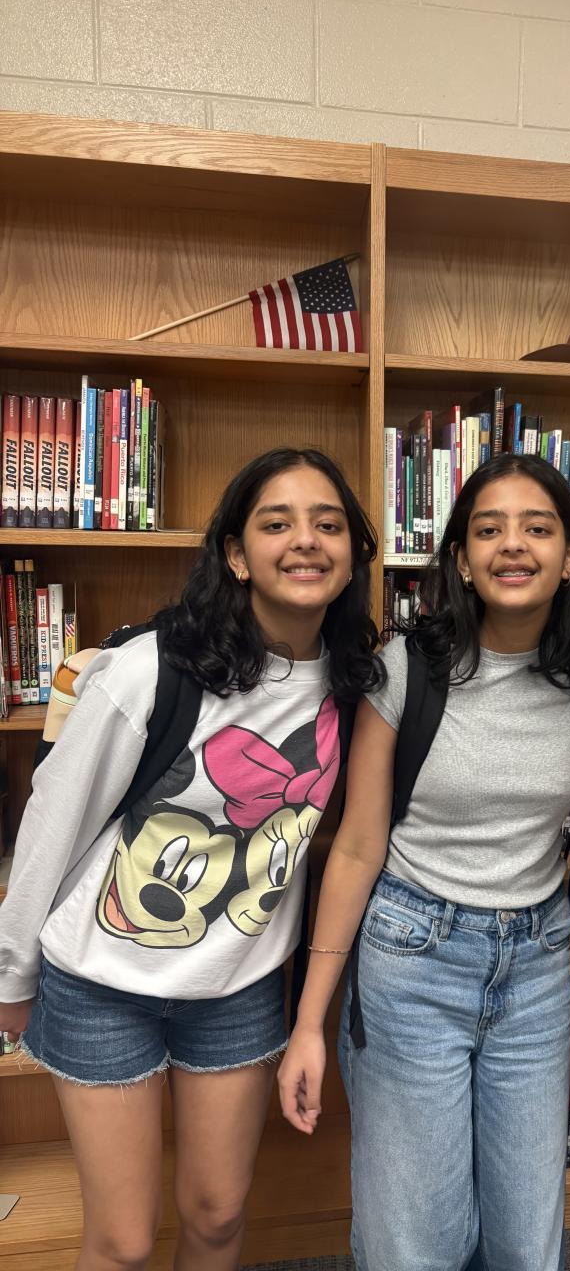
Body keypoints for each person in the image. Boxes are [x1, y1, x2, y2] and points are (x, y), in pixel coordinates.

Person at [0, 447, 381, 1271]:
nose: (305, 541)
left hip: (236, 987)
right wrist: (11, 978)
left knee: (217, 1215)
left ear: (354, 553)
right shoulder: (149, 670)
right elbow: (49, 827)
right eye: (276, 524)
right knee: (124, 1241)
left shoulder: (358, 682)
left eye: (327, 524)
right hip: (102, 983)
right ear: (237, 554)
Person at [279, 453, 570, 1271]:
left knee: (524, 1237)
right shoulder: (408, 667)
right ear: (463, 560)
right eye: (489, 530)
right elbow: (357, 844)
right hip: (413, 958)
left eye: (538, 529)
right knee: (417, 1240)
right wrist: (309, 1022)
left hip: (539, 966)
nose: (514, 546)